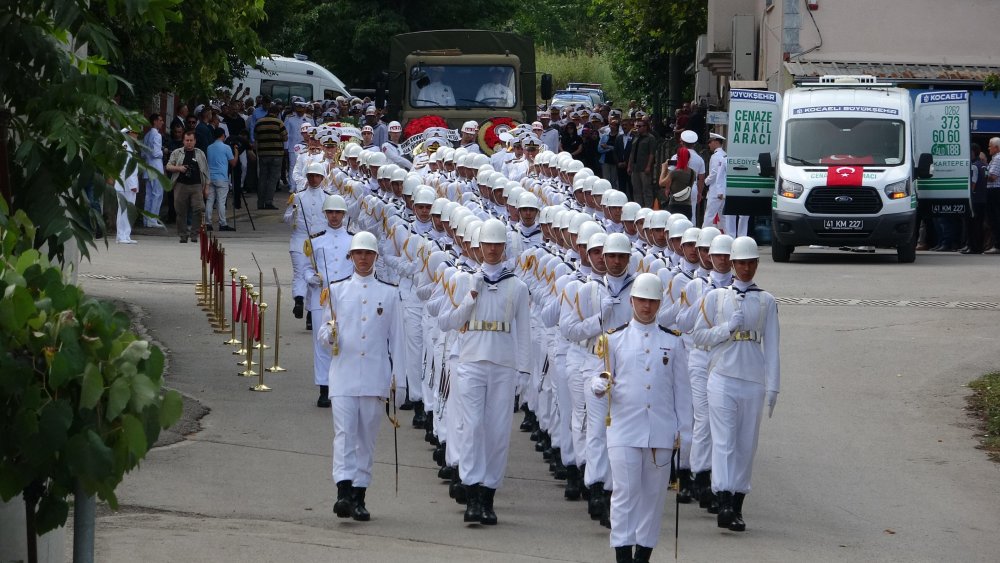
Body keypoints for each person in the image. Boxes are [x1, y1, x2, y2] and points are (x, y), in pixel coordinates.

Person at [591, 273, 691, 563]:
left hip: (661, 431)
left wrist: (685, 434)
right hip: (624, 428)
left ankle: (643, 555)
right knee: (625, 493)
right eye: (642, 300)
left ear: (660, 303)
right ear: (631, 301)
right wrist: (598, 385)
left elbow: (682, 392)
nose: (647, 307)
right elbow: (598, 377)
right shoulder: (613, 339)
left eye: (653, 301)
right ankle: (623, 553)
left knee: (654, 498)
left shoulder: (673, 342)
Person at [438, 219, 531, 526]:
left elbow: (524, 332)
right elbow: (447, 322)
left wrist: (524, 372)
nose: (492, 250)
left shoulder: (517, 286)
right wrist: (471, 296)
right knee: (472, 427)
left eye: (497, 245)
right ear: (478, 247)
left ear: (504, 247)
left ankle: (488, 495)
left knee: (497, 431)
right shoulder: (465, 280)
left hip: (503, 363)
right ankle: (472, 492)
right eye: (487, 244)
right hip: (471, 361)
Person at [692, 236, 780, 532]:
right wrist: (726, 329)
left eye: (751, 263)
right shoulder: (716, 298)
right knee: (724, 441)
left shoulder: (766, 301)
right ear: (732, 263)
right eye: (741, 263)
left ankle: (738, 502)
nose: (746, 268)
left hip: (752, 378)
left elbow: (773, 347)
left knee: (746, 444)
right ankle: (724, 499)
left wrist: (773, 386)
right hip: (722, 376)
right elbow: (698, 336)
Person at [317, 231, 405, 523]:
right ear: (351, 256)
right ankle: (342, 492)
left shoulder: (390, 293)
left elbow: (398, 342)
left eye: (368, 253)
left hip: (374, 377)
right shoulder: (337, 290)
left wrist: (399, 382)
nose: (363, 258)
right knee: (344, 435)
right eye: (358, 253)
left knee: (366, 437)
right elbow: (323, 334)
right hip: (343, 374)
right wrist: (329, 334)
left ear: (376, 256)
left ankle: (359, 495)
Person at [305, 194, 353, 408]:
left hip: (345, 298)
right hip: (322, 298)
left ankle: (343, 386)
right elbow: (306, 268)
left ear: (344, 214)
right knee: (322, 343)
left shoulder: (353, 240)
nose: (334, 216)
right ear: (325, 214)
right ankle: (324, 388)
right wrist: (311, 278)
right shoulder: (315, 240)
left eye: (338, 212)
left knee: (346, 342)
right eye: (331, 212)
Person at [165, 130, 209, 243]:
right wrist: (179, 168)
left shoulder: (200, 153)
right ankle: (183, 235)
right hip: (180, 185)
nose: (189, 142)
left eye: (191, 140)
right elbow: (168, 166)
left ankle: (194, 234)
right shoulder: (177, 152)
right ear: (183, 141)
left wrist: (207, 187)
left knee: (199, 209)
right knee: (180, 211)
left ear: (195, 141)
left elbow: (206, 171)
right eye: (187, 140)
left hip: (197, 185)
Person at [253, 103, 287, 210]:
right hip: (276, 154)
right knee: (273, 179)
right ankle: (268, 202)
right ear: (277, 113)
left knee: (262, 178)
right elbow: (285, 137)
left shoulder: (259, 122)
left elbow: (255, 137)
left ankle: (260, 203)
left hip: (263, 154)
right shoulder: (279, 123)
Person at [205, 127, 237, 231]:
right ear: (223, 135)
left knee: (210, 201)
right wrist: (236, 152)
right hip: (222, 178)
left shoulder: (209, 147)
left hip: (210, 177)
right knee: (221, 202)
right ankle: (222, 223)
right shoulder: (226, 147)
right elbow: (233, 163)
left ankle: (208, 223)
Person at [115, 127, 141, 244]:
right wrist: (132, 185)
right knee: (123, 211)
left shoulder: (130, 147)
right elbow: (126, 168)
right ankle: (121, 236)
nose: (137, 135)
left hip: (129, 185)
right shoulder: (125, 147)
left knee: (129, 210)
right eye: (135, 133)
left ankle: (126, 235)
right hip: (125, 185)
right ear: (129, 134)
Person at [141, 113, 167, 228]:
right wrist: (163, 151)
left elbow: (143, 153)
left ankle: (146, 219)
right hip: (156, 167)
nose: (162, 122)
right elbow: (156, 153)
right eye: (160, 120)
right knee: (157, 194)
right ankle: (152, 219)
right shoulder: (157, 135)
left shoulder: (147, 135)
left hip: (148, 166)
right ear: (155, 121)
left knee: (149, 195)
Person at [963, 143, 988, 254]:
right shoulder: (984, 165)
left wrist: (970, 193)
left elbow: (973, 183)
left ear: (973, 152)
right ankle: (979, 247)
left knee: (972, 223)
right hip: (983, 198)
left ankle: (973, 247)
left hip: (975, 199)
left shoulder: (974, 166)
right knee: (980, 223)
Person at [627, 119, 656, 208]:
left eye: (639, 126)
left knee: (646, 189)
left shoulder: (650, 138)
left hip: (644, 167)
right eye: (636, 126)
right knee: (636, 189)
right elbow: (632, 152)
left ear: (645, 127)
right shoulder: (636, 137)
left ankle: (648, 207)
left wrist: (648, 166)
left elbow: (652, 153)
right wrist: (629, 166)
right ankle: (638, 207)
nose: (637, 128)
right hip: (635, 167)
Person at [659, 148, 696, 216]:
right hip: (687, 206)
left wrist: (664, 169)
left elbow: (661, 183)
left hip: (675, 205)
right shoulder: (693, 173)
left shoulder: (674, 173)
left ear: (677, 158)